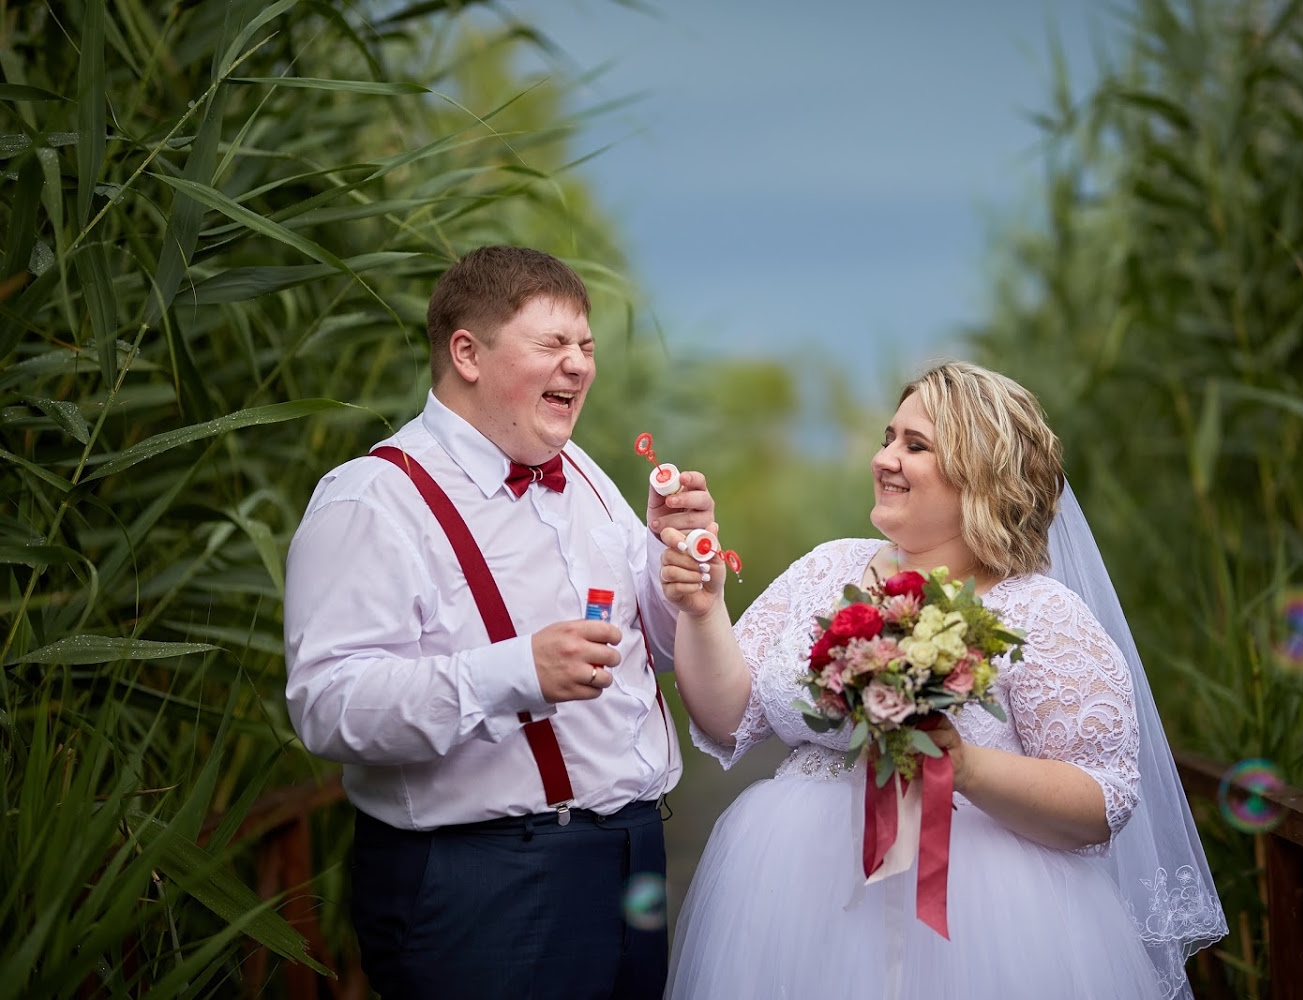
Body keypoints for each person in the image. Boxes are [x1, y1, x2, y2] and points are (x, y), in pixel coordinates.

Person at [659, 360, 1227, 999]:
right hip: (789, 894)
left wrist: (963, 765)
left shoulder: (1038, 614)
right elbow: (727, 715)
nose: (884, 459)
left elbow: (1104, 801)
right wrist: (704, 611)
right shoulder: (825, 570)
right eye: (887, 438)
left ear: (980, 475)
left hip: (977, 921)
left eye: (915, 445)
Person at [283, 245, 716, 999]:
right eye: (552, 343)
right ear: (467, 353)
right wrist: (514, 673)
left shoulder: (584, 473)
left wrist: (675, 572)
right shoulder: (371, 500)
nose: (579, 365)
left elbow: (658, 658)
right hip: (485, 886)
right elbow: (326, 707)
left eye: (586, 345)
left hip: (628, 860)